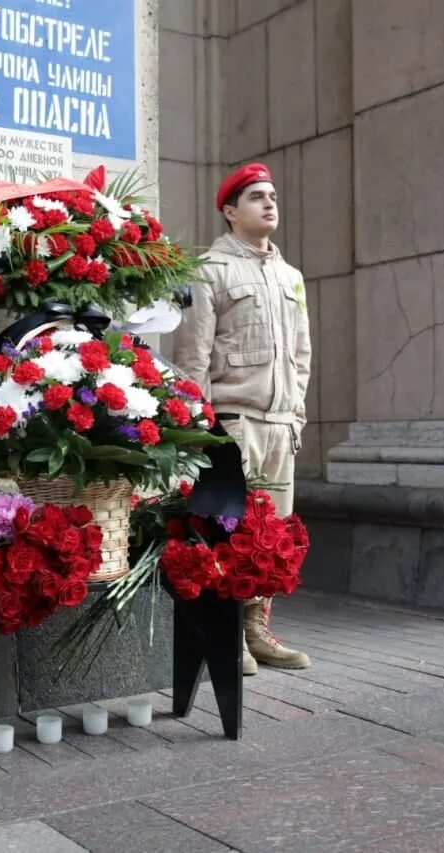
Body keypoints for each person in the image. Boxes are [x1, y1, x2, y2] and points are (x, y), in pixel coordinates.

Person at [173, 162, 311, 675]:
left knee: (271, 535)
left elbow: (302, 354)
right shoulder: (209, 270)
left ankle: (257, 629)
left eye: (272, 195)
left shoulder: (290, 276)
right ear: (230, 211)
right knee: (226, 532)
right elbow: (193, 357)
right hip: (232, 422)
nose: (269, 203)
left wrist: (295, 415)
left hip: (279, 425)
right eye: (256, 197)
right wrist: (200, 429)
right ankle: (224, 634)